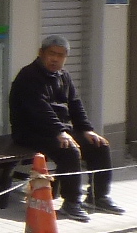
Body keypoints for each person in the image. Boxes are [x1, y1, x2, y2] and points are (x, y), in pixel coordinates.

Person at [8, 36, 122, 221]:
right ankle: (71, 202)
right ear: (41, 53)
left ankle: (99, 196)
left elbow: (75, 103)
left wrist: (86, 129)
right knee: (69, 150)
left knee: (100, 145)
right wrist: (59, 132)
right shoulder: (28, 76)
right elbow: (39, 109)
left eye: (60, 55)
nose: (55, 59)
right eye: (51, 54)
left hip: (58, 130)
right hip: (30, 131)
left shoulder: (63, 75)